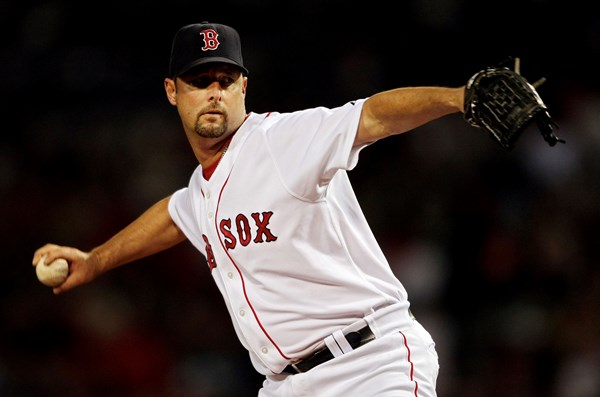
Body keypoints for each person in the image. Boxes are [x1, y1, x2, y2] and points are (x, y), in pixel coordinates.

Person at [33, 21, 466, 396]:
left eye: (225, 79)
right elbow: (175, 214)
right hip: (286, 385)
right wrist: (95, 260)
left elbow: (372, 116)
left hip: (369, 365)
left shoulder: (281, 140)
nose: (215, 93)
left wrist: (459, 98)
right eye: (200, 82)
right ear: (172, 91)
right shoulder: (203, 187)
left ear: (244, 86)